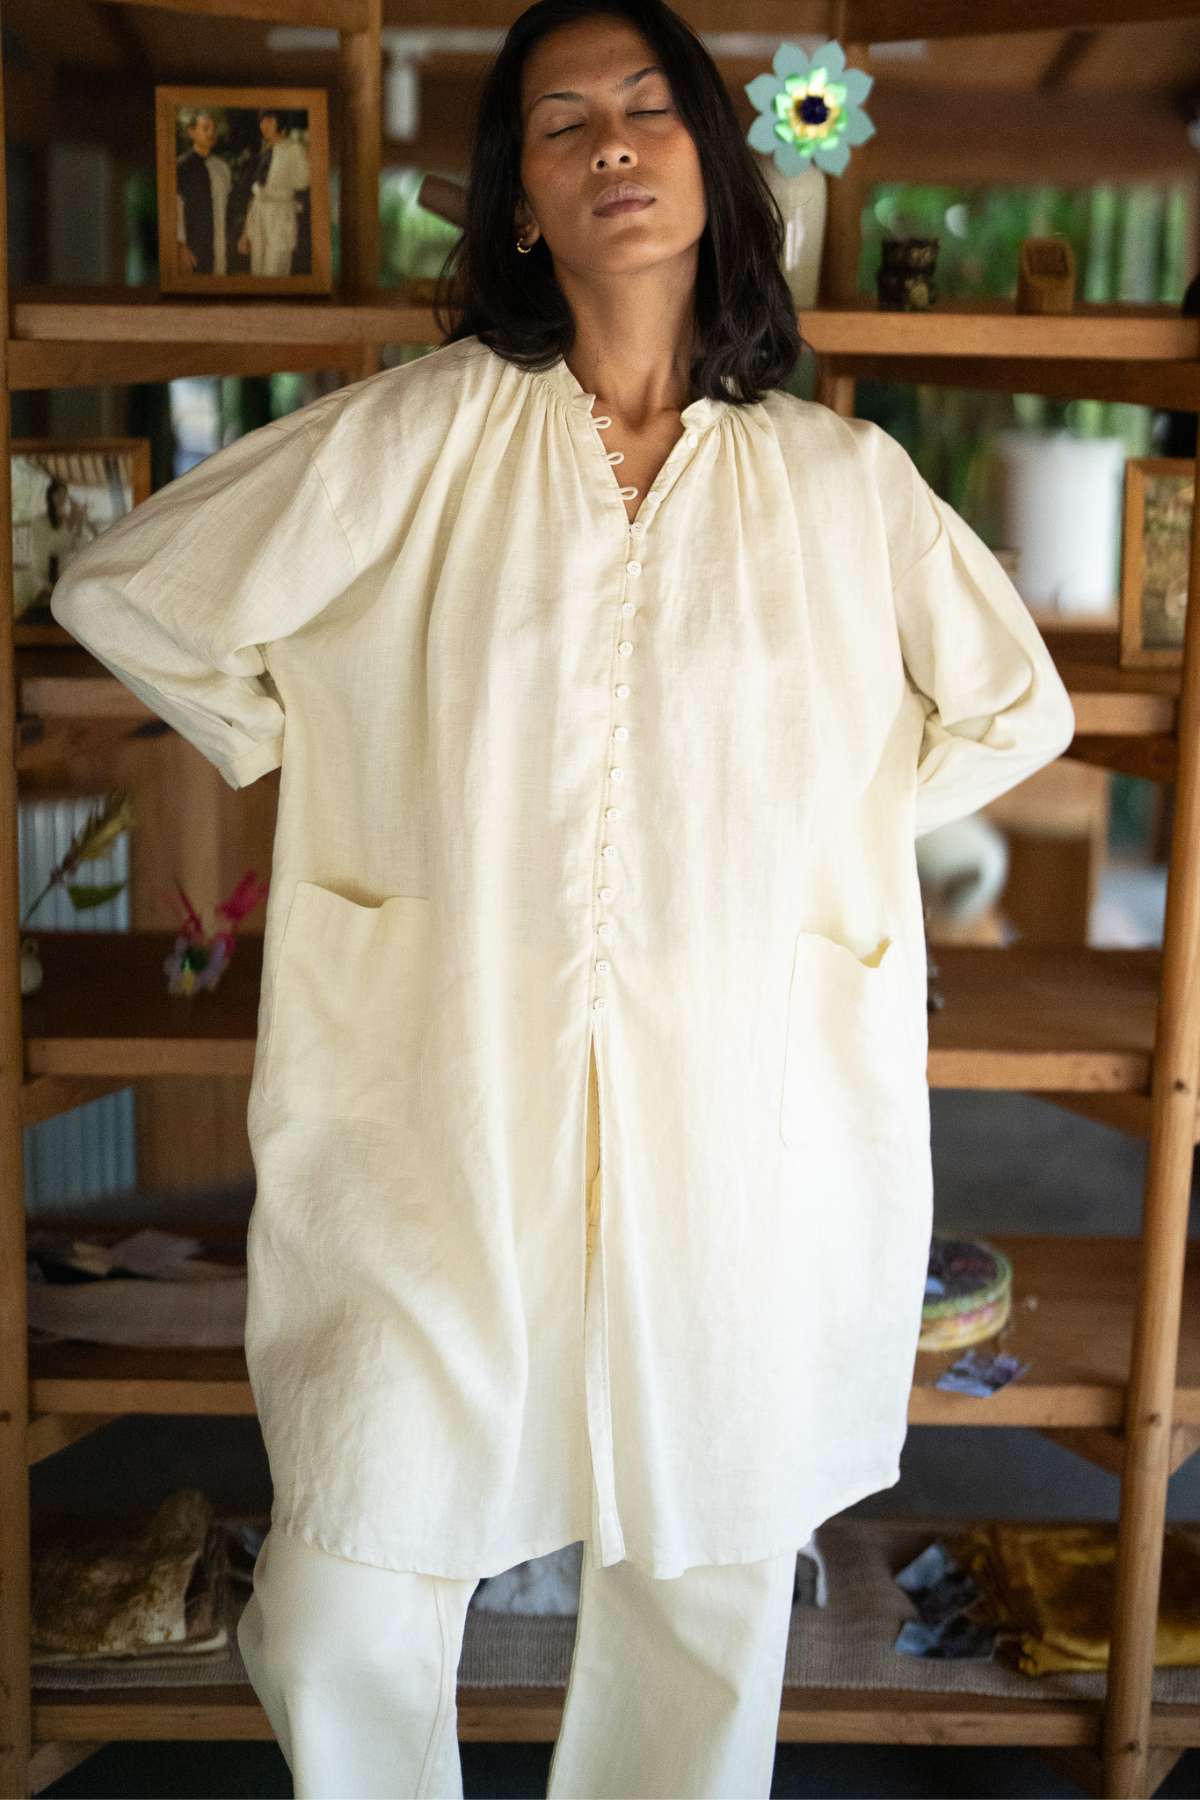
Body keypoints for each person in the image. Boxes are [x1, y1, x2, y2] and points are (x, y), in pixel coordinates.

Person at [49, 2, 1076, 1794]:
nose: (610, 142)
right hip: (430, 1108)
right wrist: (314, 732)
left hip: (736, 1128)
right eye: (559, 123)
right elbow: (135, 591)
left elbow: (1017, 704)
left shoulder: (844, 486)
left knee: (703, 1587)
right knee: (348, 1586)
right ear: (518, 201)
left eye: (648, 109)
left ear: (712, 162)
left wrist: (808, 837)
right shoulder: (420, 435)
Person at [238, 109, 311, 277]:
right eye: (262, 121)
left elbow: (303, 183)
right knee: (257, 272)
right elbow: (255, 195)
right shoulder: (262, 153)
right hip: (258, 219)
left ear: (281, 122)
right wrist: (245, 233)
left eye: (270, 120)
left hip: (280, 218)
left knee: (275, 270)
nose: (264, 125)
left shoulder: (294, 149)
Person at [176, 108, 232, 276]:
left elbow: (226, 208)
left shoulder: (222, 168)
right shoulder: (180, 166)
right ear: (191, 132)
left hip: (219, 245)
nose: (211, 133)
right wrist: (180, 247)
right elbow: (175, 208)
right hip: (193, 248)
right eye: (205, 128)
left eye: (213, 129)